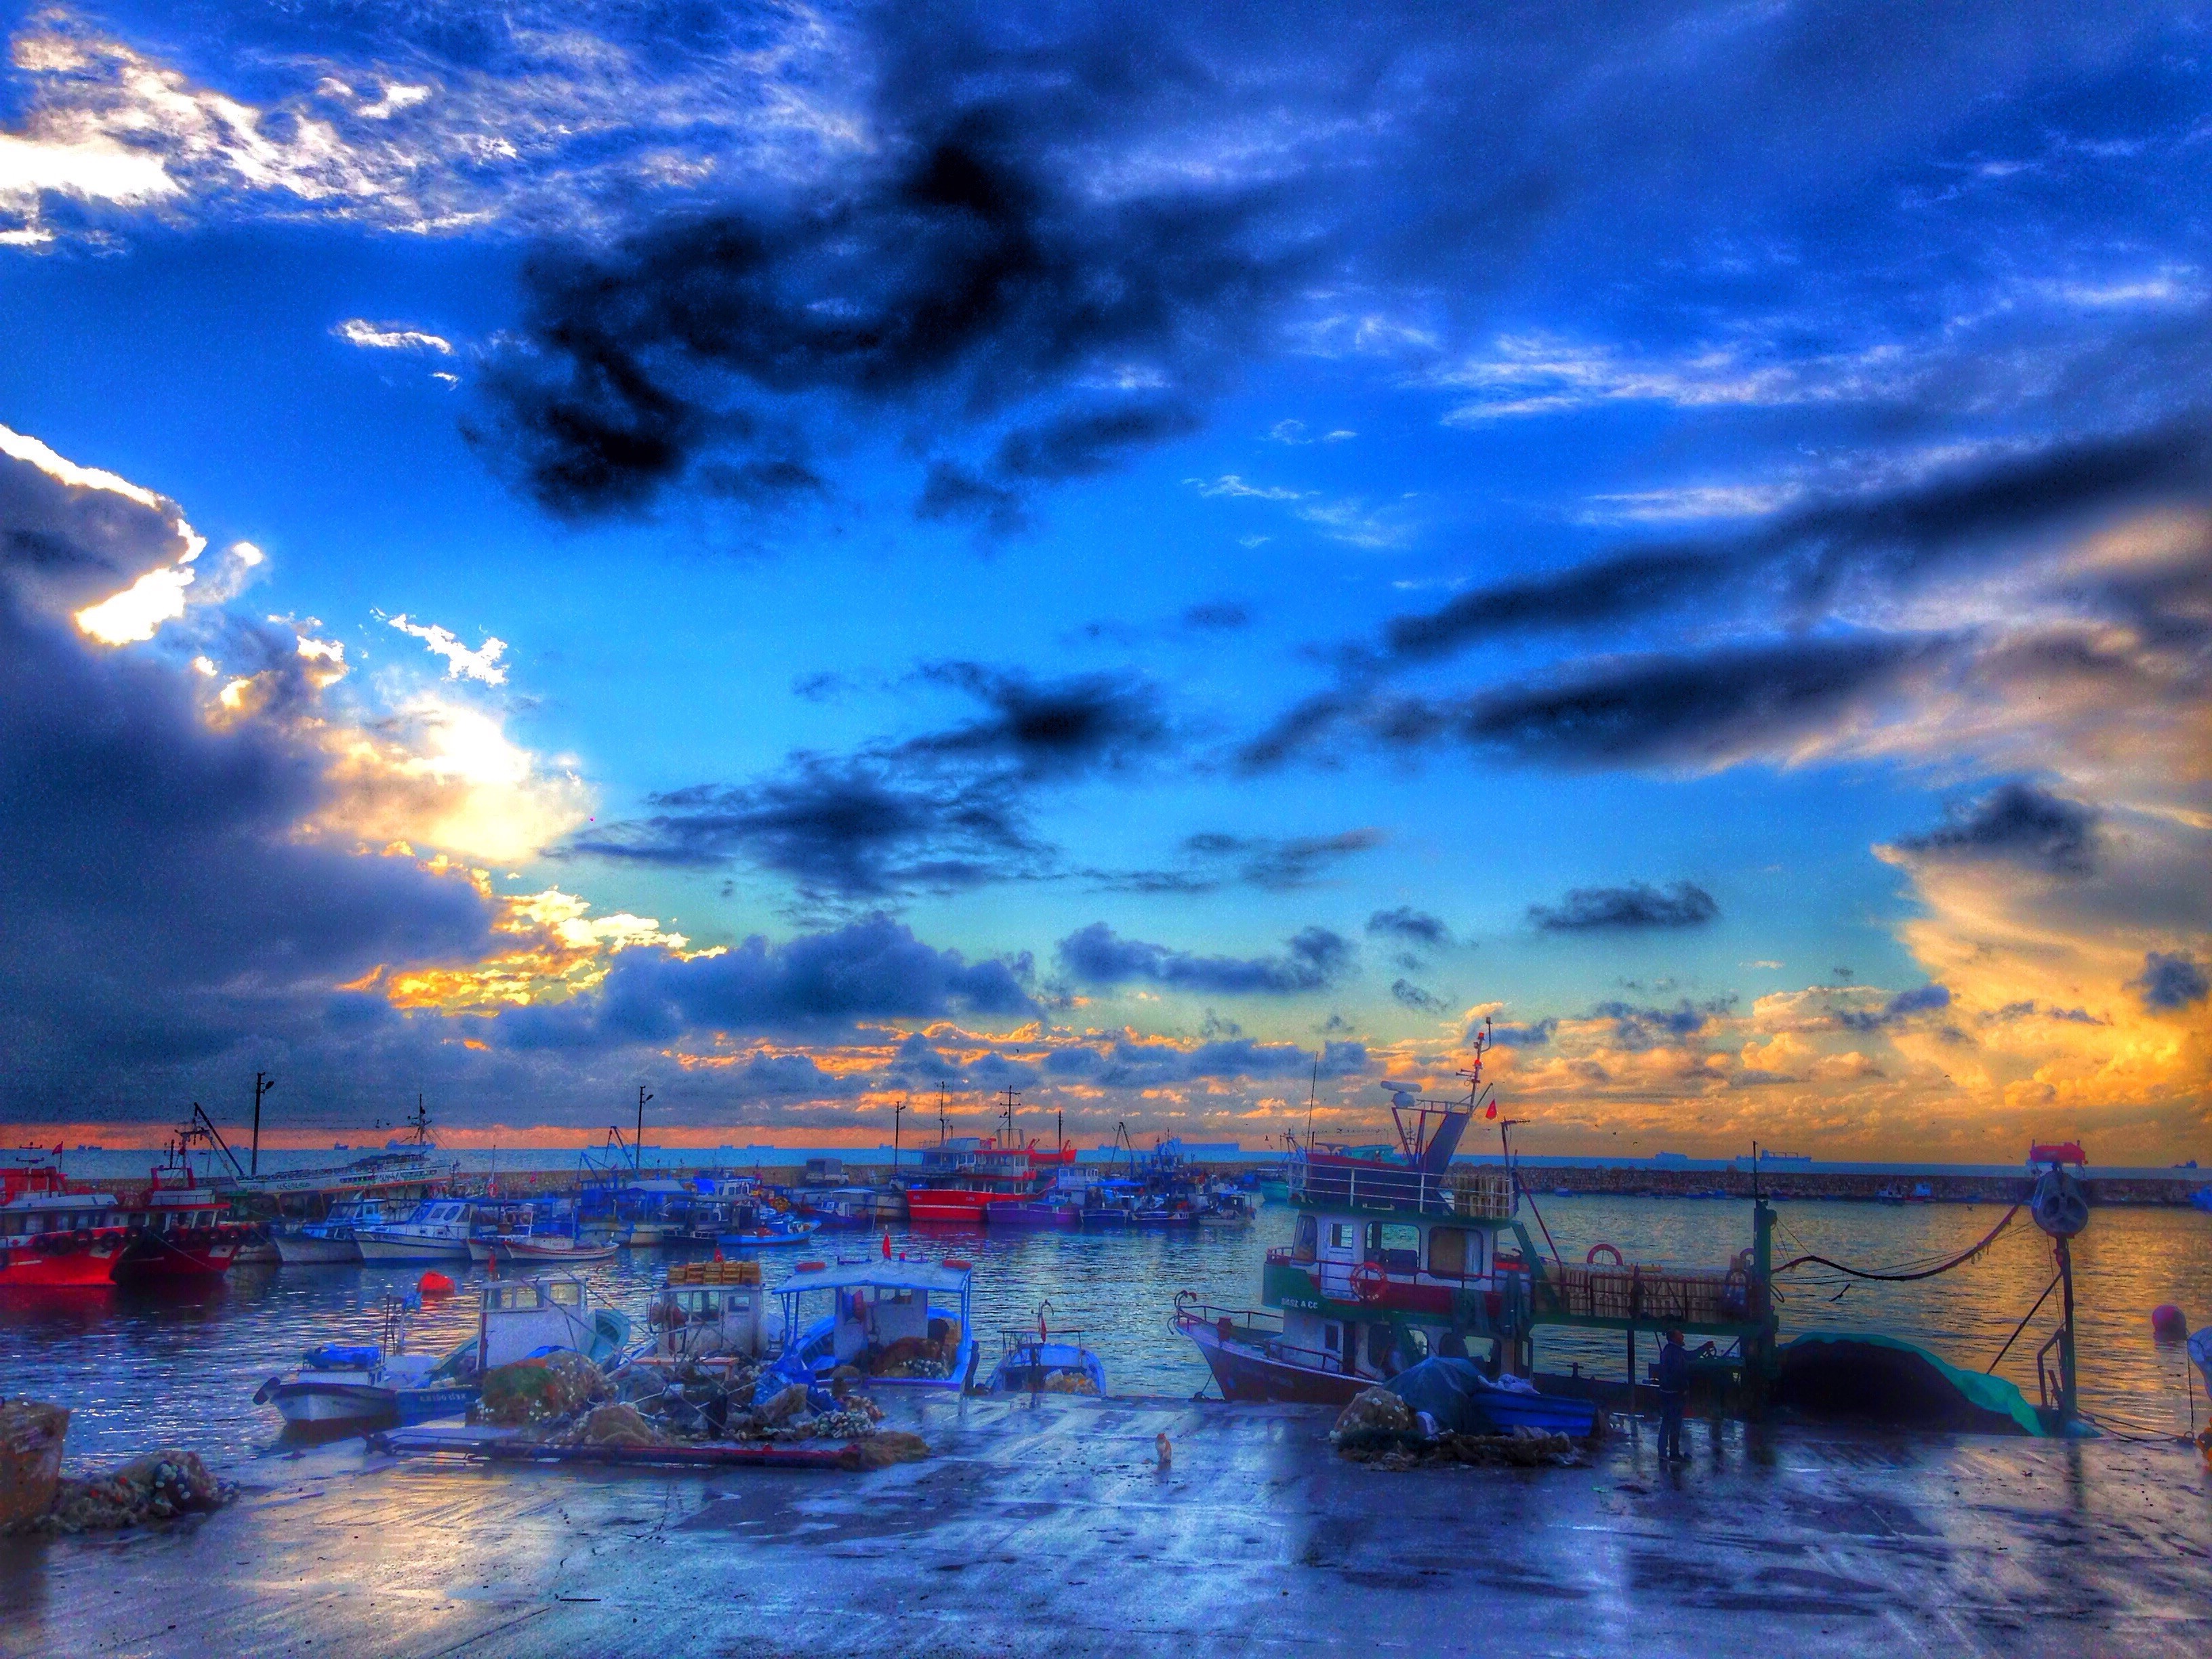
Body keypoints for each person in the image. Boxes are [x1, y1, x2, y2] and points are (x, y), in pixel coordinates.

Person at [1656, 1327, 1689, 1461]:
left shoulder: (1668, 1351)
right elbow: (1678, 1373)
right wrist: (1684, 1388)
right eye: (1681, 1335)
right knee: (1675, 1424)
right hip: (1674, 1394)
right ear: (1675, 1338)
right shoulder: (1675, 1353)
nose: (1683, 1337)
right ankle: (1674, 1453)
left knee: (1666, 1423)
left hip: (1665, 1393)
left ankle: (1662, 1452)